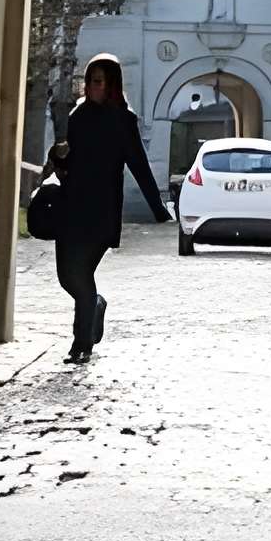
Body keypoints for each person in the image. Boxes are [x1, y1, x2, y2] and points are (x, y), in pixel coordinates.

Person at [45, 52, 169, 363]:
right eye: (88, 81)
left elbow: (138, 164)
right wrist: (58, 154)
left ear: (111, 84)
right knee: (66, 277)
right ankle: (95, 305)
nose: (91, 87)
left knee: (81, 274)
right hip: (71, 207)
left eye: (97, 82)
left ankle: (81, 343)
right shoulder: (77, 116)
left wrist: (160, 209)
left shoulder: (122, 121)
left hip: (102, 212)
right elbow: (63, 162)